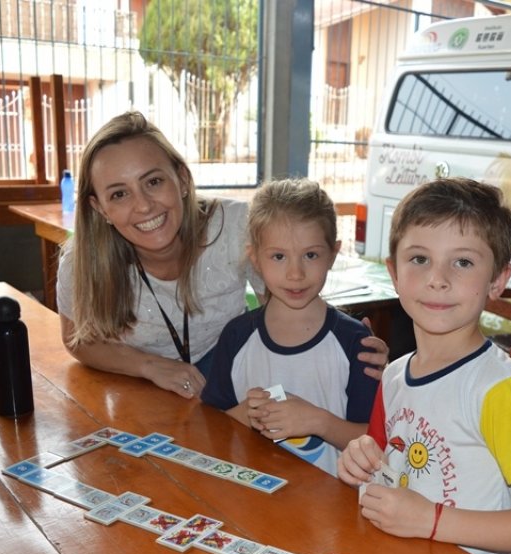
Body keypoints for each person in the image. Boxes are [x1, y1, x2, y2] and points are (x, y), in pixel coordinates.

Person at [337, 177, 511, 554]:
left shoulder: (499, 390)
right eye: (419, 259)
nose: (438, 278)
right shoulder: (394, 376)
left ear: (497, 280)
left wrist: (430, 521)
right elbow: (379, 460)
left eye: (462, 262)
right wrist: (357, 459)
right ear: (393, 272)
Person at [57, 112, 387, 398]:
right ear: (99, 208)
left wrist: (342, 340)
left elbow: (290, 303)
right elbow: (77, 340)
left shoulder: (236, 226)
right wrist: (149, 366)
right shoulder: (81, 261)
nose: (143, 205)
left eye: (154, 181)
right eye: (119, 194)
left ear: (182, 179)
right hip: (137, 383)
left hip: (233, 372)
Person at [201, 178, 378, 476]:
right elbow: (209, 427)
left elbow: (376, 442)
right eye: (279, 256)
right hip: (252, 495)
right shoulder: (236, 336)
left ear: (333, 255)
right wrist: (245, 414)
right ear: (255, 259)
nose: (295, 273)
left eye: (311, 255)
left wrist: (319, 422)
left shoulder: (355, 342)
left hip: (332, 500)